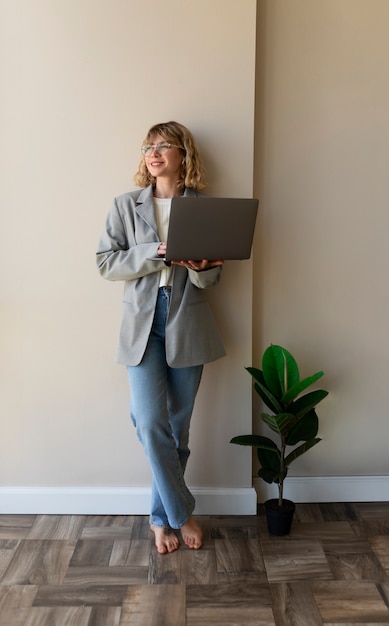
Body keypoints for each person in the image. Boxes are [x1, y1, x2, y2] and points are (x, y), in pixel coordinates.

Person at [96, 121, 225, 554]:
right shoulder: (124, 205)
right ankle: (182, 512)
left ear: (183, 154)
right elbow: (105, 263)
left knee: (178, 429)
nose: (155, 152)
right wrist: (155, 252)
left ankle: (159, 519)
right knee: (150, 423)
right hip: (142, 324)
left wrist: (202, 267)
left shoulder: (204, 208)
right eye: (149, 145)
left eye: (165, 144)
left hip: (187, 318)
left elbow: (213, 281)